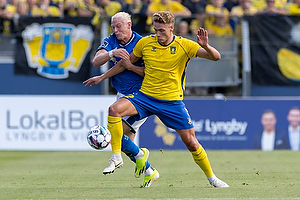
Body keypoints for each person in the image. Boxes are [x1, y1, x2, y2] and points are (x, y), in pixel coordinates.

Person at [99, 11, 229, 187]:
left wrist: (206, 46)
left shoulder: (184, 45)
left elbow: (216, 57)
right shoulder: (145, 43)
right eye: (155, 30)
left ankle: (212, 178)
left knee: (191, 143)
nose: (158, 34)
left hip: (171, 102)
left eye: (161, 30)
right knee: (113, 110)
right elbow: (125, 63)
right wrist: (102, 77)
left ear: (171, 28)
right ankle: (116, 157)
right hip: (145, 97)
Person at [83, 12, 159, 188]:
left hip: (141, 97)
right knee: (125, 143)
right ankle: (149, 170)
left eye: (119, 26)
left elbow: (149, 73)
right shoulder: (111, 41)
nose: (115, 30)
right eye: (113, 27)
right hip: (122, 94)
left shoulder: (141, 43)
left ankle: (116, 158)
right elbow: (96, 61)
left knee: (113, 134)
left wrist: (130, 66)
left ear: (129, 25)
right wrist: (112, 53)